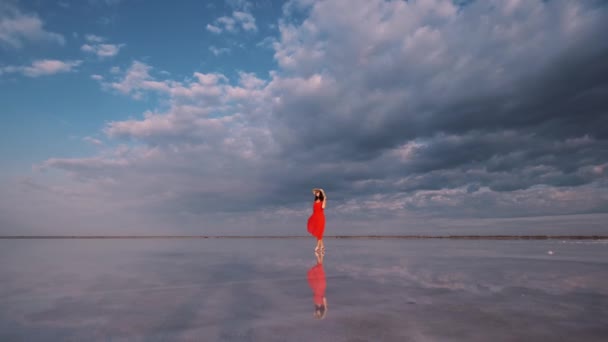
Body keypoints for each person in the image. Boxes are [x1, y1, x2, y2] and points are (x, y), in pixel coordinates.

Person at [307, 251, 327, 319]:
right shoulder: (323, 307)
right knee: (319, 268)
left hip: (316, 288)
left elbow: (316, 313)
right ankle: (319, 254)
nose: (316, 313)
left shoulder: (316, 307)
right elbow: (324, 299)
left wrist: (316, 315)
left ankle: (319, 255)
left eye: (316, 313)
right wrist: (322, 316)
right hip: (320, 288)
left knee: (317, 270)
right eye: (317, 314)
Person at [307, 188, 326, 253]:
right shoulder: (315, 201)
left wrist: (324, 195)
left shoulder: (323, 200)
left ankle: (318, 246)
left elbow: (323, 207)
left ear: (320, 193)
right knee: (318, 232)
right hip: (315, 217)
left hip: (321, 217)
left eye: (318, 192)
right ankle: (322, 246)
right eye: (316, 193)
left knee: (319, 232)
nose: (316, 194)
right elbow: (314, 210)